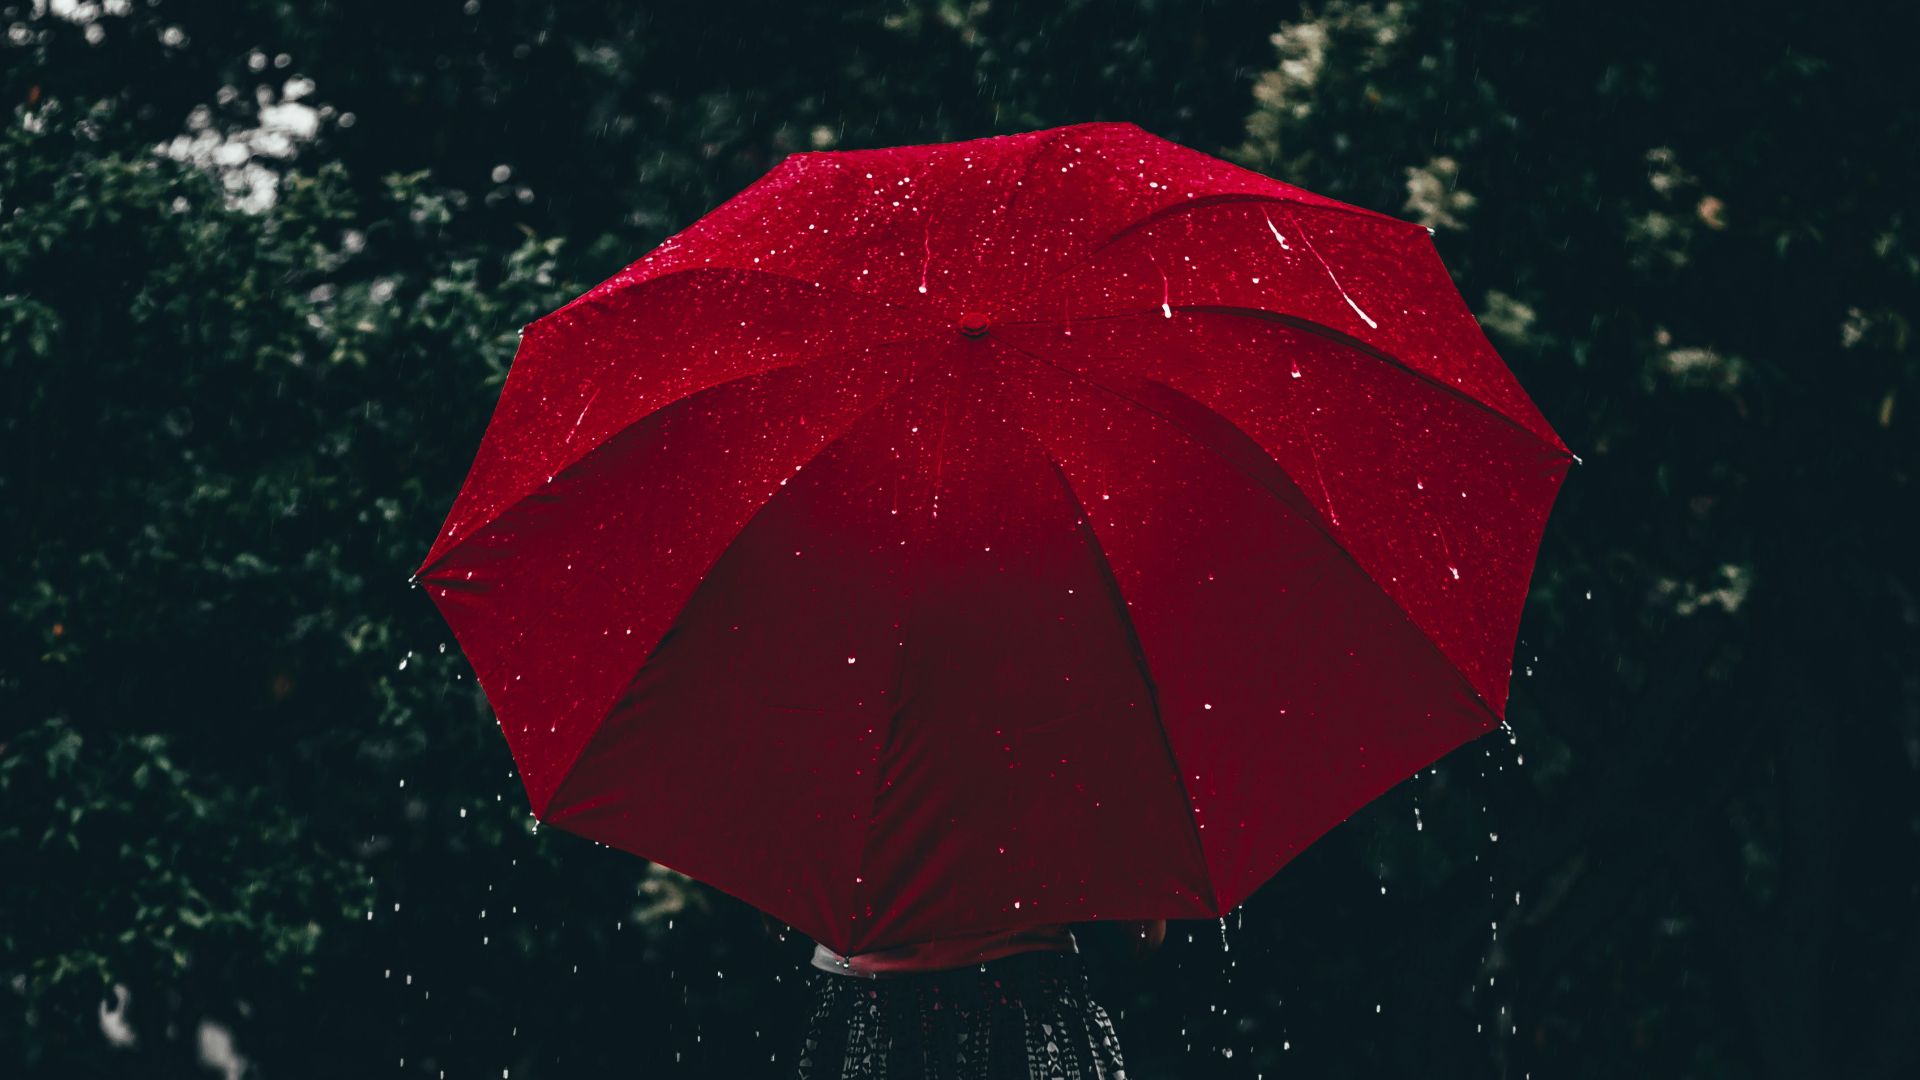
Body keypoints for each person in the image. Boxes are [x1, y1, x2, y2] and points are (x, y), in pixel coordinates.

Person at [764, 912, 1165, 1079]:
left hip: (868, 1021)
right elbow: (1143, 934)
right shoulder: (1064, 742)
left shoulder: (838, 741)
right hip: (1026, 1018)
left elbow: (779, 916)